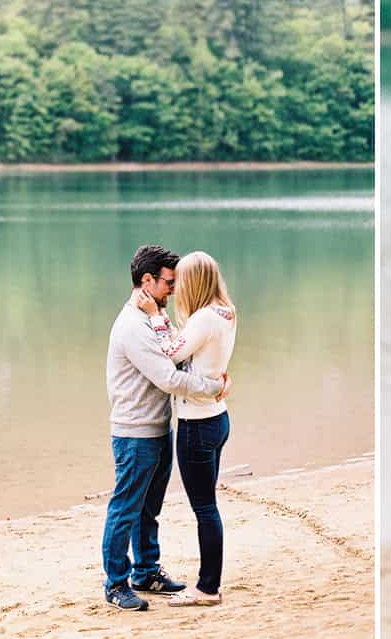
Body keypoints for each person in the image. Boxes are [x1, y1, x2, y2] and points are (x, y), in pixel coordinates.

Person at [101, 244, 228, 612]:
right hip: (134, 432)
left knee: (148, 509)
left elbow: (180, 349)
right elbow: (169, 377)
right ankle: (115, 583)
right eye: (169, 282)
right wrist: (213, 387)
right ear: (147, 280)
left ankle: (146, 572)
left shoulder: (155, 315)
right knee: (125, 508)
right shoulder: (132, 326)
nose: (175, 288)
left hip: (159, 428)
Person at [139, 250, 238, 608]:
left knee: (205, 509)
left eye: (181, 280)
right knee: (208, 506)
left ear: (194, 280)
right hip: (218, 416)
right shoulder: (225, 312)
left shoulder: (204, 319)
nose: (176, 287)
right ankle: (209, 584)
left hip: (197, 424)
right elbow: (195, 354)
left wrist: (155, 315)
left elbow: (169, 352)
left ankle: (208, 589)